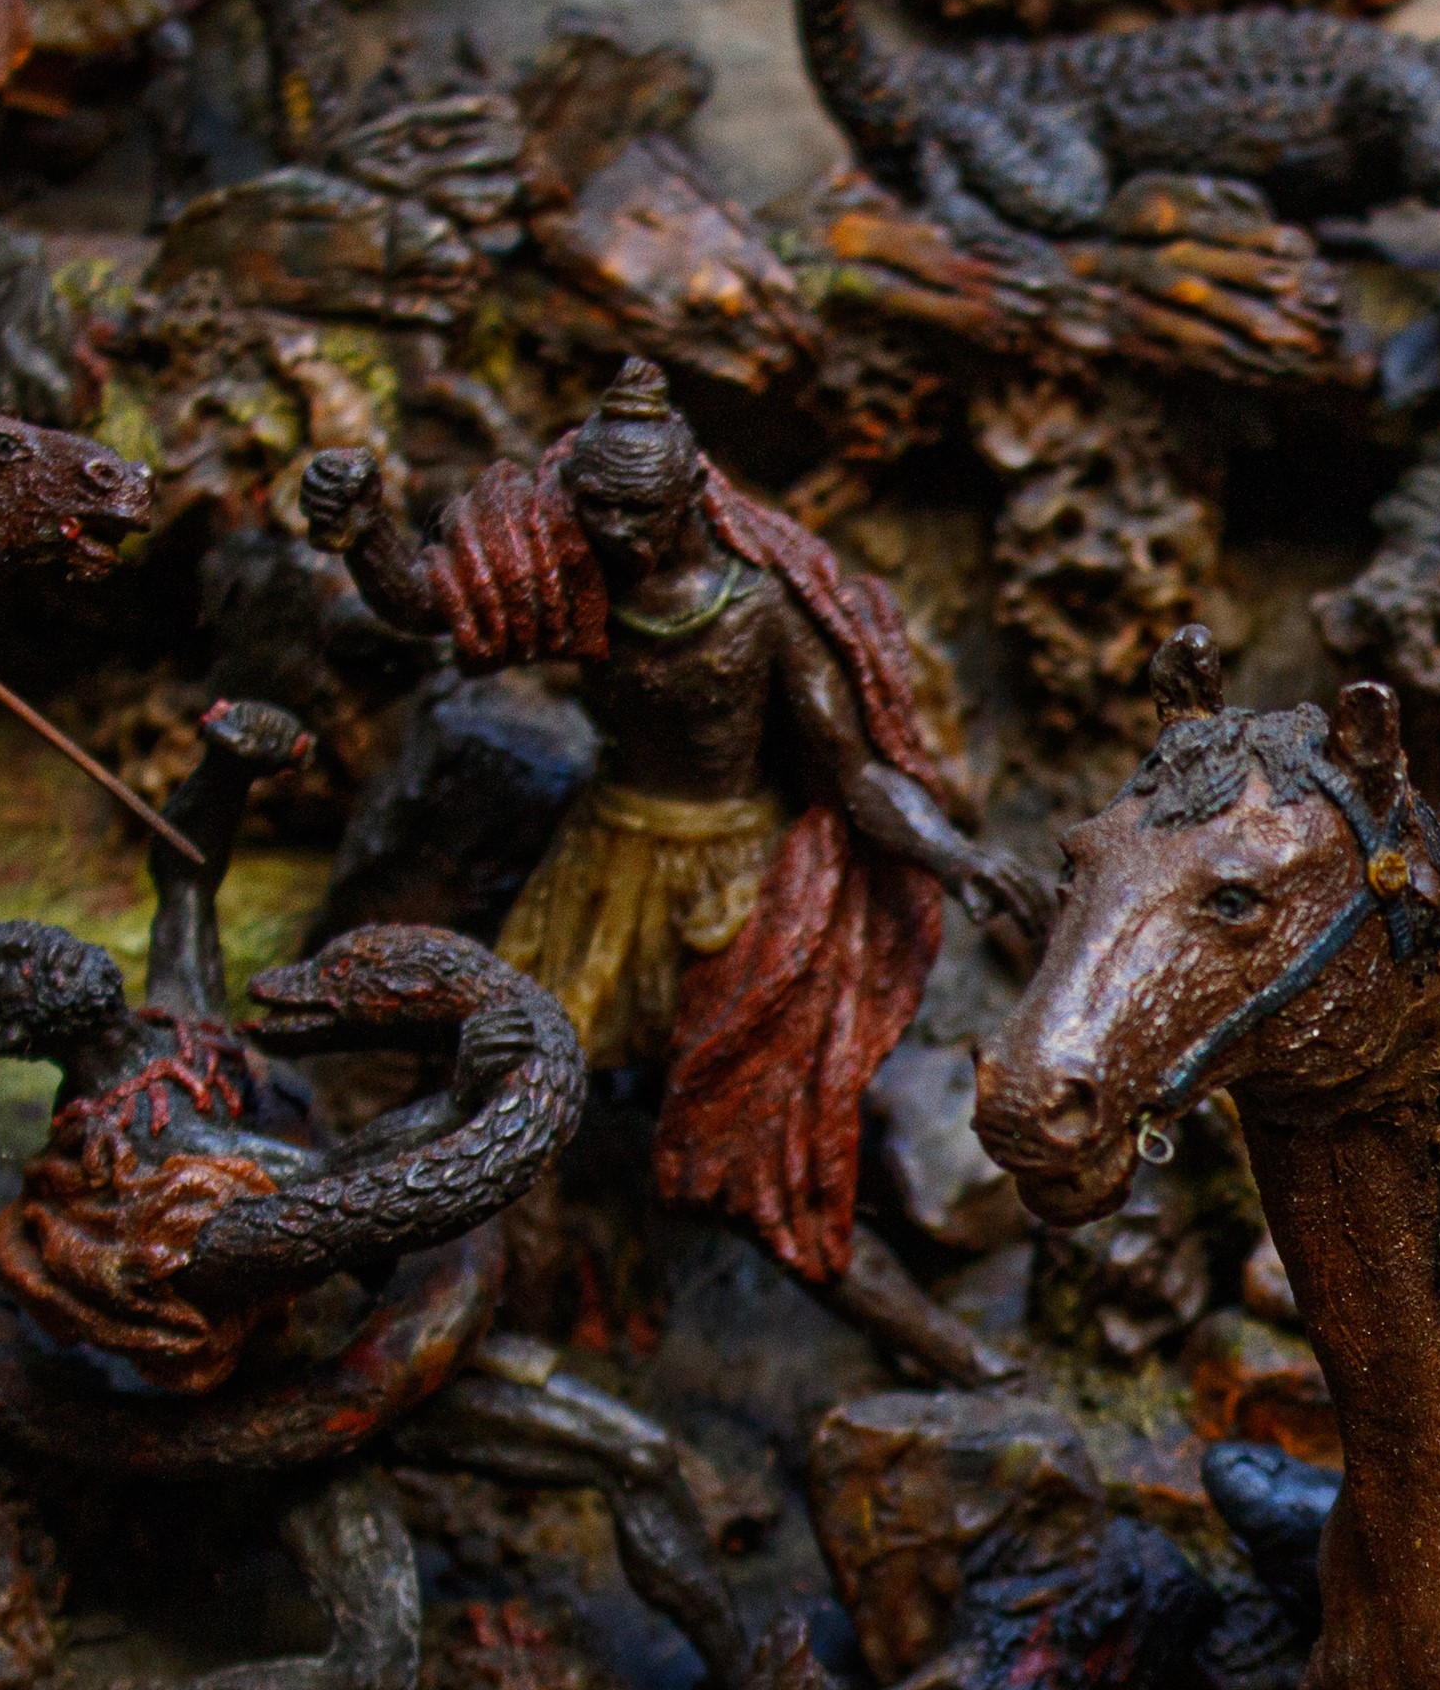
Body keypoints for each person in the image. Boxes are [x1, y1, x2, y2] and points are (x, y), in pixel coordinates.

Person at [300, 362, 1051, 1388]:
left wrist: (955, 855)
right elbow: (429, 600)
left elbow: (854, 772)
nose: (614, 533)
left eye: (637, 512)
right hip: (604, 859)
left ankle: (943, 1347)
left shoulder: (762, 609)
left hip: (737, 875)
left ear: (692, 494)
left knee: (758, 1156)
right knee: (510, 1075)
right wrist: (365, 532)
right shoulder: (577, 566)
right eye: (597, 509)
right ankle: (517, 1328)